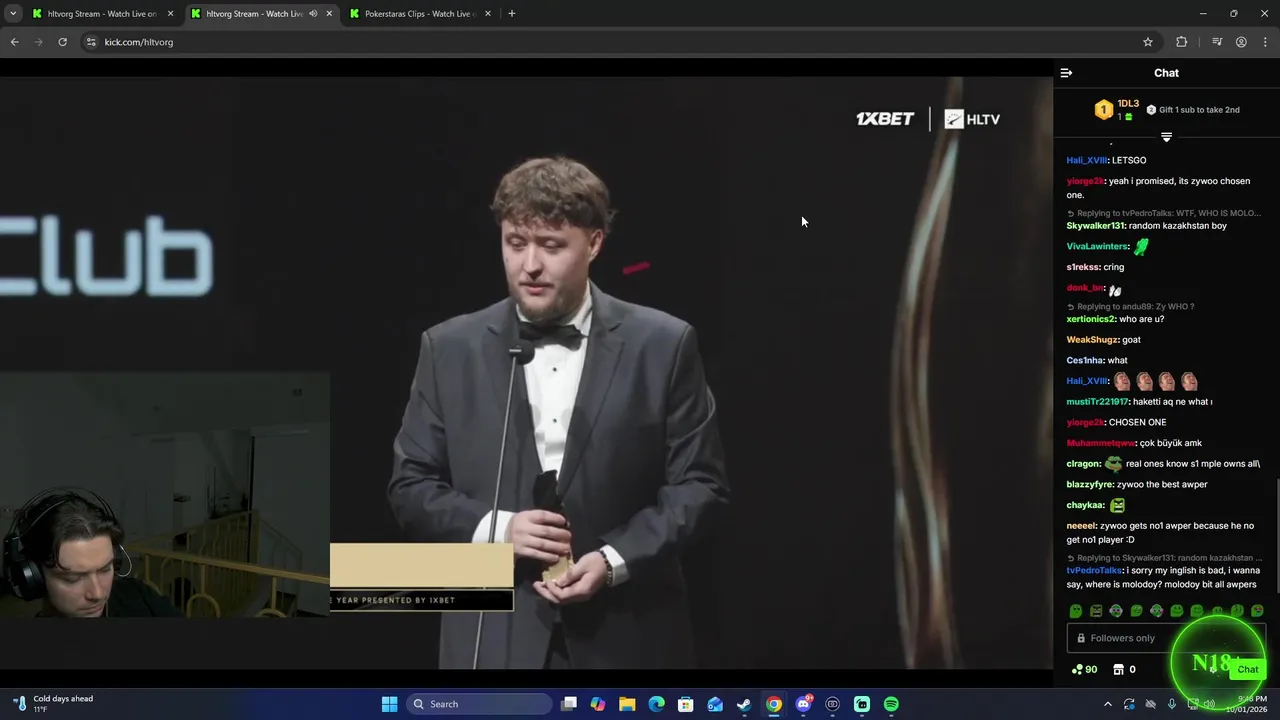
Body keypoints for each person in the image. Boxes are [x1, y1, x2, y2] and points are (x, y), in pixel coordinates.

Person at [388, 156, 730, 669]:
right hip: (491, 641)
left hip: (628, 641)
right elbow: (410, 487)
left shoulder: (663, 344)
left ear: (594, 243)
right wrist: (499, 530)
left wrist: (613, 561)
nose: (529, 265)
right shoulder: (448, 348)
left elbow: (701, 487)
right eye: (515, 243)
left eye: (551, 246)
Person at [3, 490, 183, 618]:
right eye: (73, 578)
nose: (98, 594)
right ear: (33, 578)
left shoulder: (138, 594)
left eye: (105, 569)